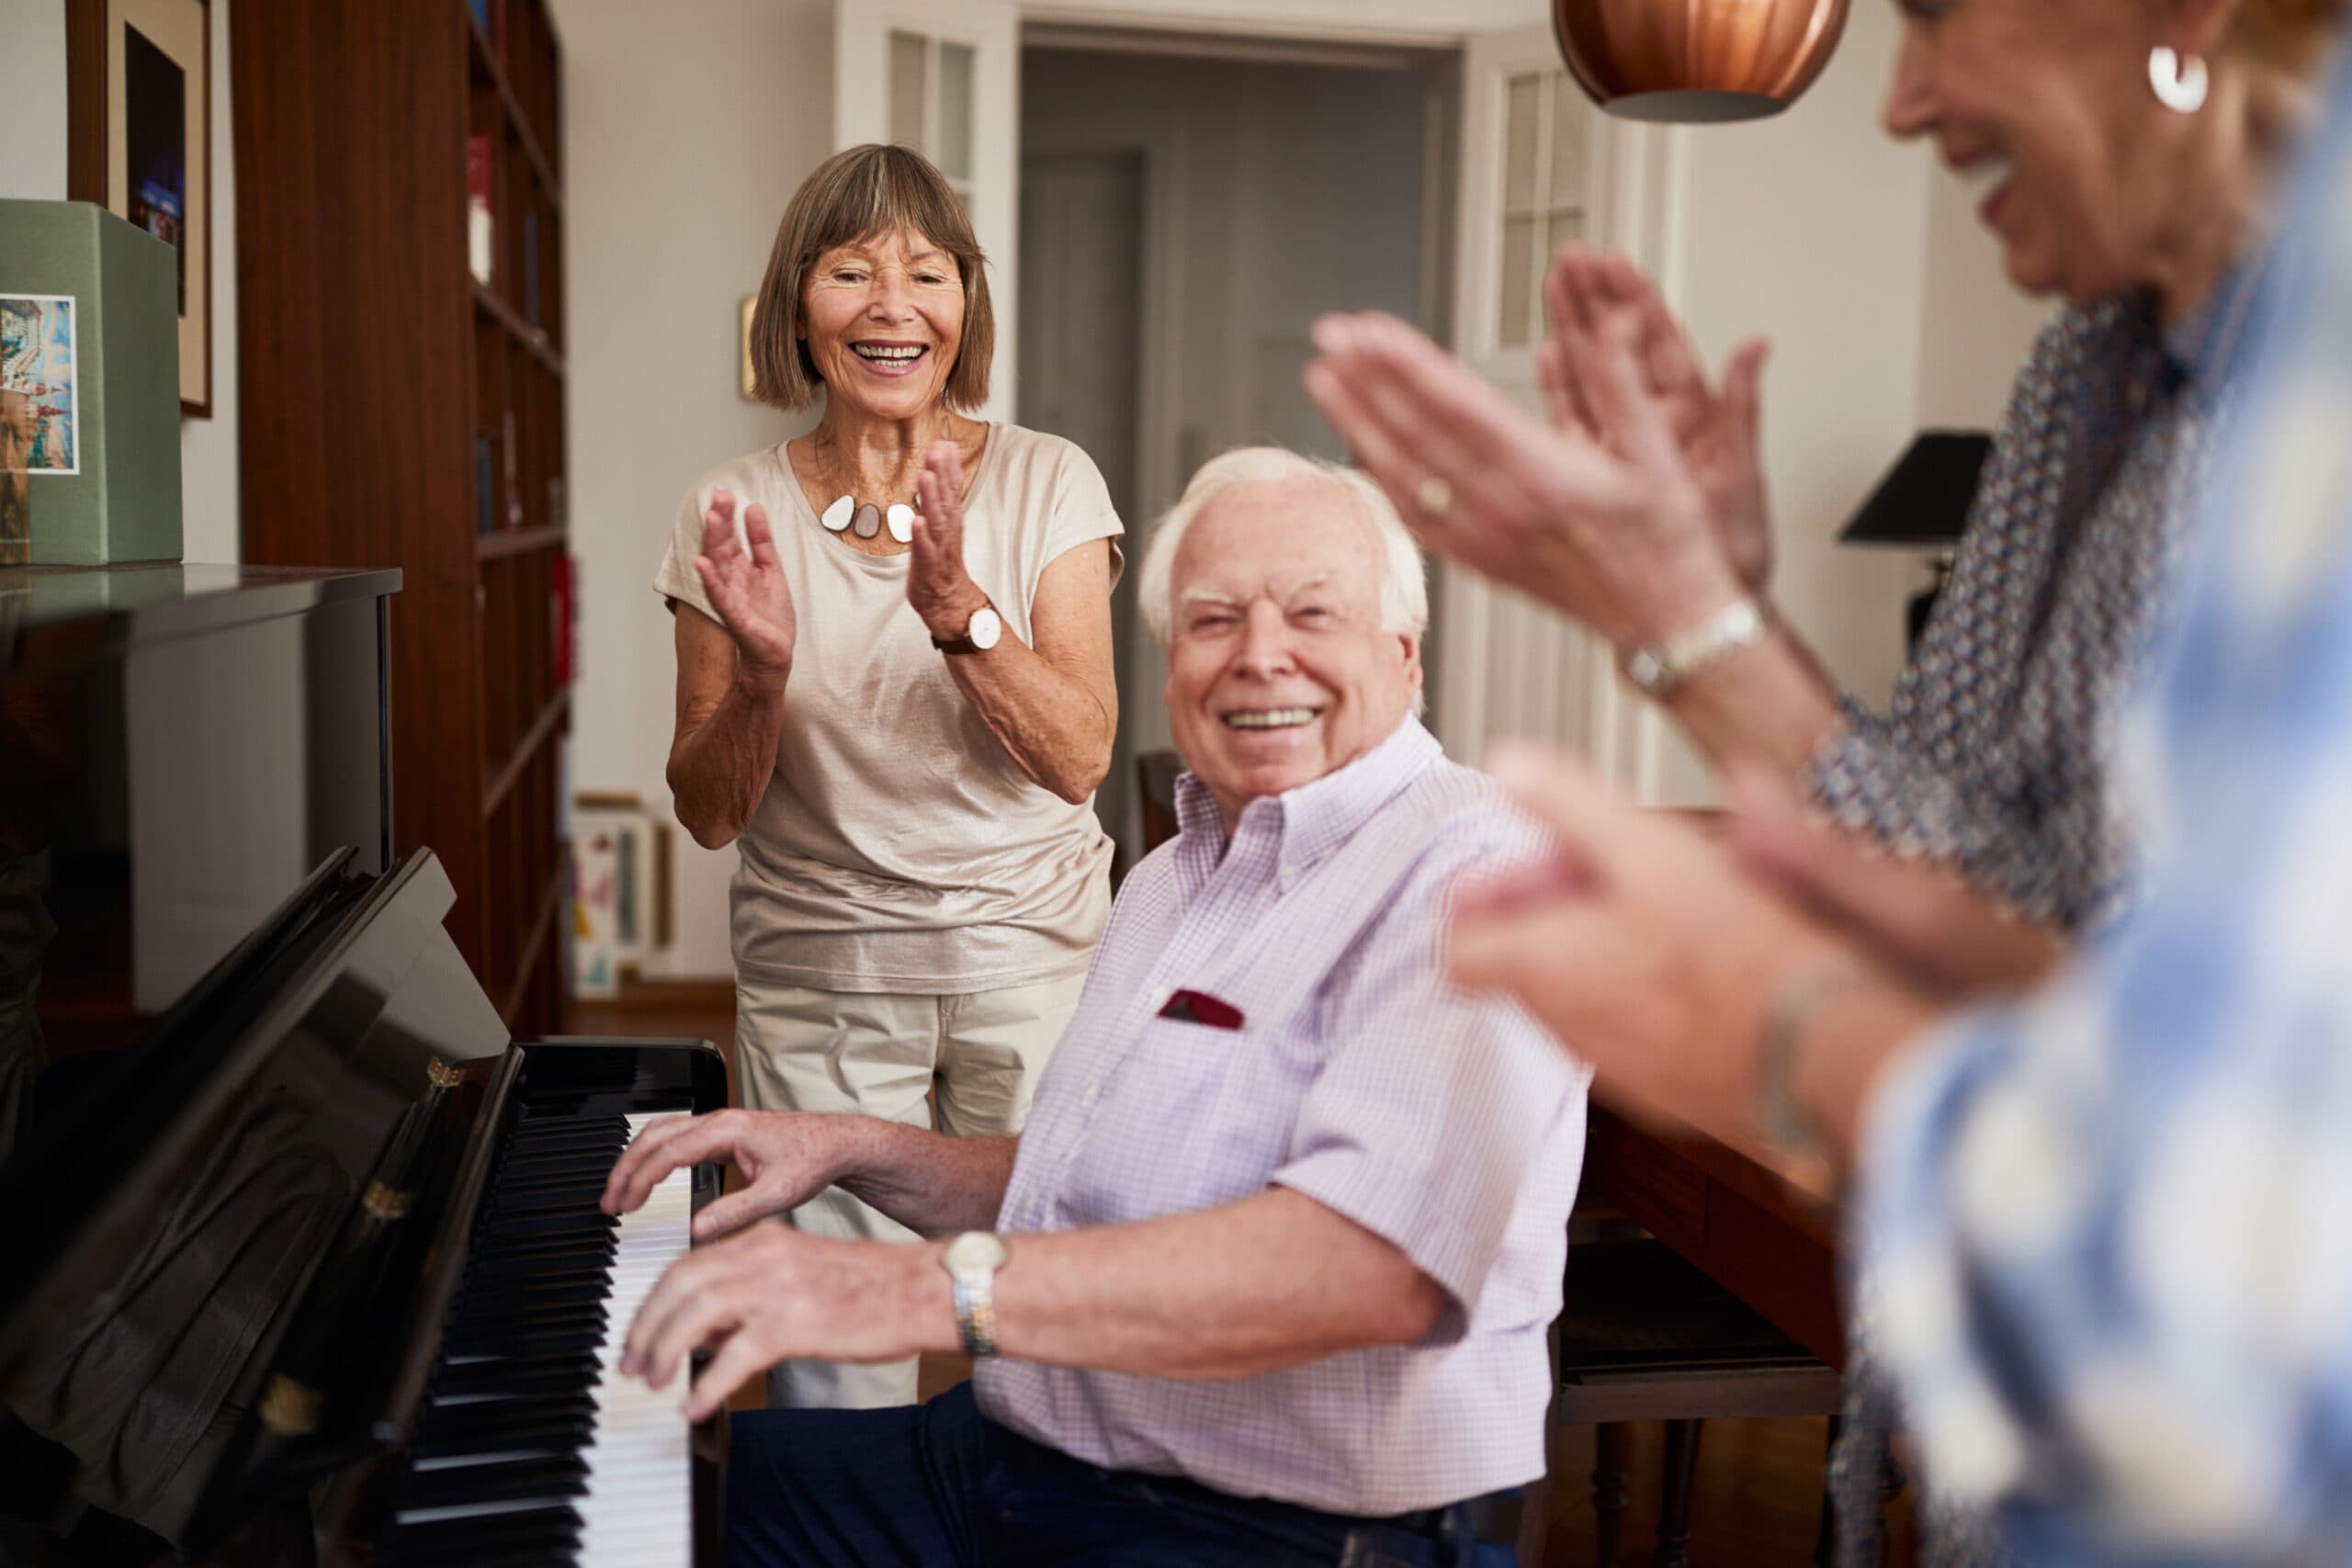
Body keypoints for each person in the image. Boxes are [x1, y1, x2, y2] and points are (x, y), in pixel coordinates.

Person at [1306, 1, 2341, 1554]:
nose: (1900, 103)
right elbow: (1973, 862)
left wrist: (1782, 1026)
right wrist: (1691, 613)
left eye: (1932, 18)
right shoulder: (2088, 375)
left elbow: (2214, 1146)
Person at [607, 448, 1589, 1567]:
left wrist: (917, 1288)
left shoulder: (1486, 867)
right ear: (1171, 669)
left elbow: (1370, 1269)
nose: (1261, 655)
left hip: (1277, 1529)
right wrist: (857, 1150)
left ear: (1403, 654)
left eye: (1313, 613)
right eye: (1213, 621)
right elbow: (1092, 1187)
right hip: (1018, 1458)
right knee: (626, 1507)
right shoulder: (1172, 878)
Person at [651, 144, 1123, 1409]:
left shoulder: (1048, 480)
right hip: (823, 976)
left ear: (965, 303)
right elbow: (707, 810)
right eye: (850, 270)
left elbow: (1081, 754)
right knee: (834, 1380)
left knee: (1046, 1357)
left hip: (1031, 963)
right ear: (795, 306)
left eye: (926, 272)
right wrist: (758, 674)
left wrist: (960, 608)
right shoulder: (730, 508)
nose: (891, 304)